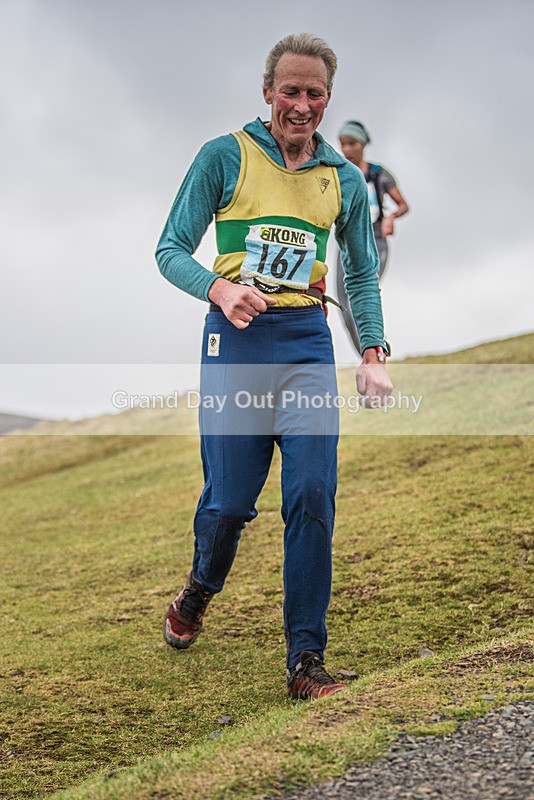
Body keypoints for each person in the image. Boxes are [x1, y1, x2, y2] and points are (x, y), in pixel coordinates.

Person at [155, 33, 392, 700]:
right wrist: (221, 289)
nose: (301, 104)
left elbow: (362, 276)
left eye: (314, 94)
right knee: (230, 504)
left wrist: (372, 351)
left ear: (327, 100)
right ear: (268, 92)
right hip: (237, 343)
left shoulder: (344, 181)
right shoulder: (223, 156)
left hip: (306, 343)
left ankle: (305, 662)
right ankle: (200, 589)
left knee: (312, 494)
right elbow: (169, 248)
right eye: (290, 90)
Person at [337, 120, 409, 354]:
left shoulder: (379, 175)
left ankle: (377, 346)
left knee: (363, 292)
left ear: (363, 144)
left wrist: (390, 218)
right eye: (343, 144)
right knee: (343, 304)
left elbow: (403, 205)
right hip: (346, 242)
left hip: (375, 240)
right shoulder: (340, 175)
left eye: (352, 143)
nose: (347, 150)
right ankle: (367, 357)